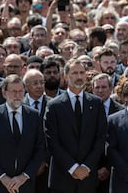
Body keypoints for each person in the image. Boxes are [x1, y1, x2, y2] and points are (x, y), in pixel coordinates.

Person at [44, 58, 107, 193]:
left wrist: (86, 166)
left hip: (88, 178)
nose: (79, 77)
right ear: (65, 76)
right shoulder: (54, 106)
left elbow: (100, 138)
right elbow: (52, 141)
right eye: (74, 73)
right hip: (62, 178)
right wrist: (72, 167)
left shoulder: (96, 104)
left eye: (81, 73)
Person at [0, 74, 45, 193]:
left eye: (21, 91)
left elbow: (40, 149)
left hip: (25, 185)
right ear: (4, 93)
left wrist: (24, 177)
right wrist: (3, 178)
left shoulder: (34, 116)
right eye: (13, 91)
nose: (17, 95)